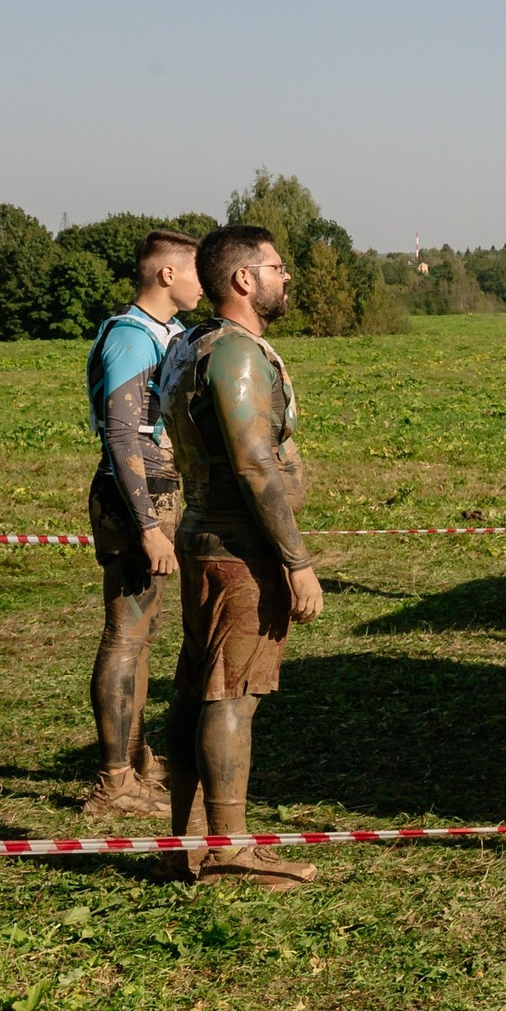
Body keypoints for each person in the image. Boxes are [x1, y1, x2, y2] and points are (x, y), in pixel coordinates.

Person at [156, 225, 325, 889]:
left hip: (201, 535)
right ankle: (227, 849)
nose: (287, 278)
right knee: (232, 694)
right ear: (243, 279)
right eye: (277, 267)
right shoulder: (235, 355)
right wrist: (296, 559)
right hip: (239, 549)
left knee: (194, 688)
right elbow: (257, 463)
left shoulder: (185, 346)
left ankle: (185, 839)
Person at [78, 228, 202, 818]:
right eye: (197, 271)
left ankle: (136, 761)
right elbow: (121, 433)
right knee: (126, 634)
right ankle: (112, 781)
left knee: (144, 632)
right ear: (167, 275)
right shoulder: (130, 338)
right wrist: (149, 525)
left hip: (158, 493)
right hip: (135, 500)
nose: (206, 282)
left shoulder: (169, 333)